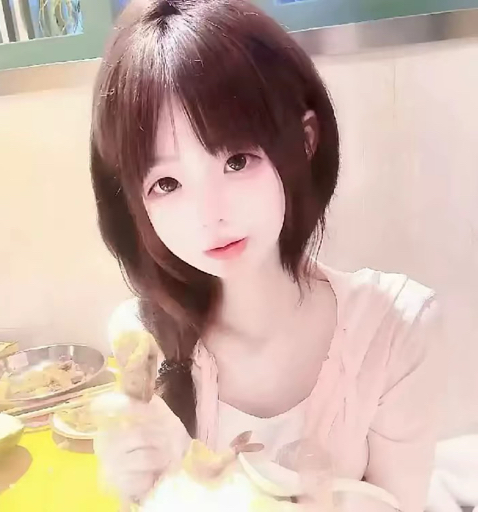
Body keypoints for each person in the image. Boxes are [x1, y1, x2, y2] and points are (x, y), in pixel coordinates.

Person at [90, 0, 446, 510]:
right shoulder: (145, 335)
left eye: (236, 160)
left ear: (303, 141)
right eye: (166, 183)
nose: (210, 215)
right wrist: (142, 487)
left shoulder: (392, 330)